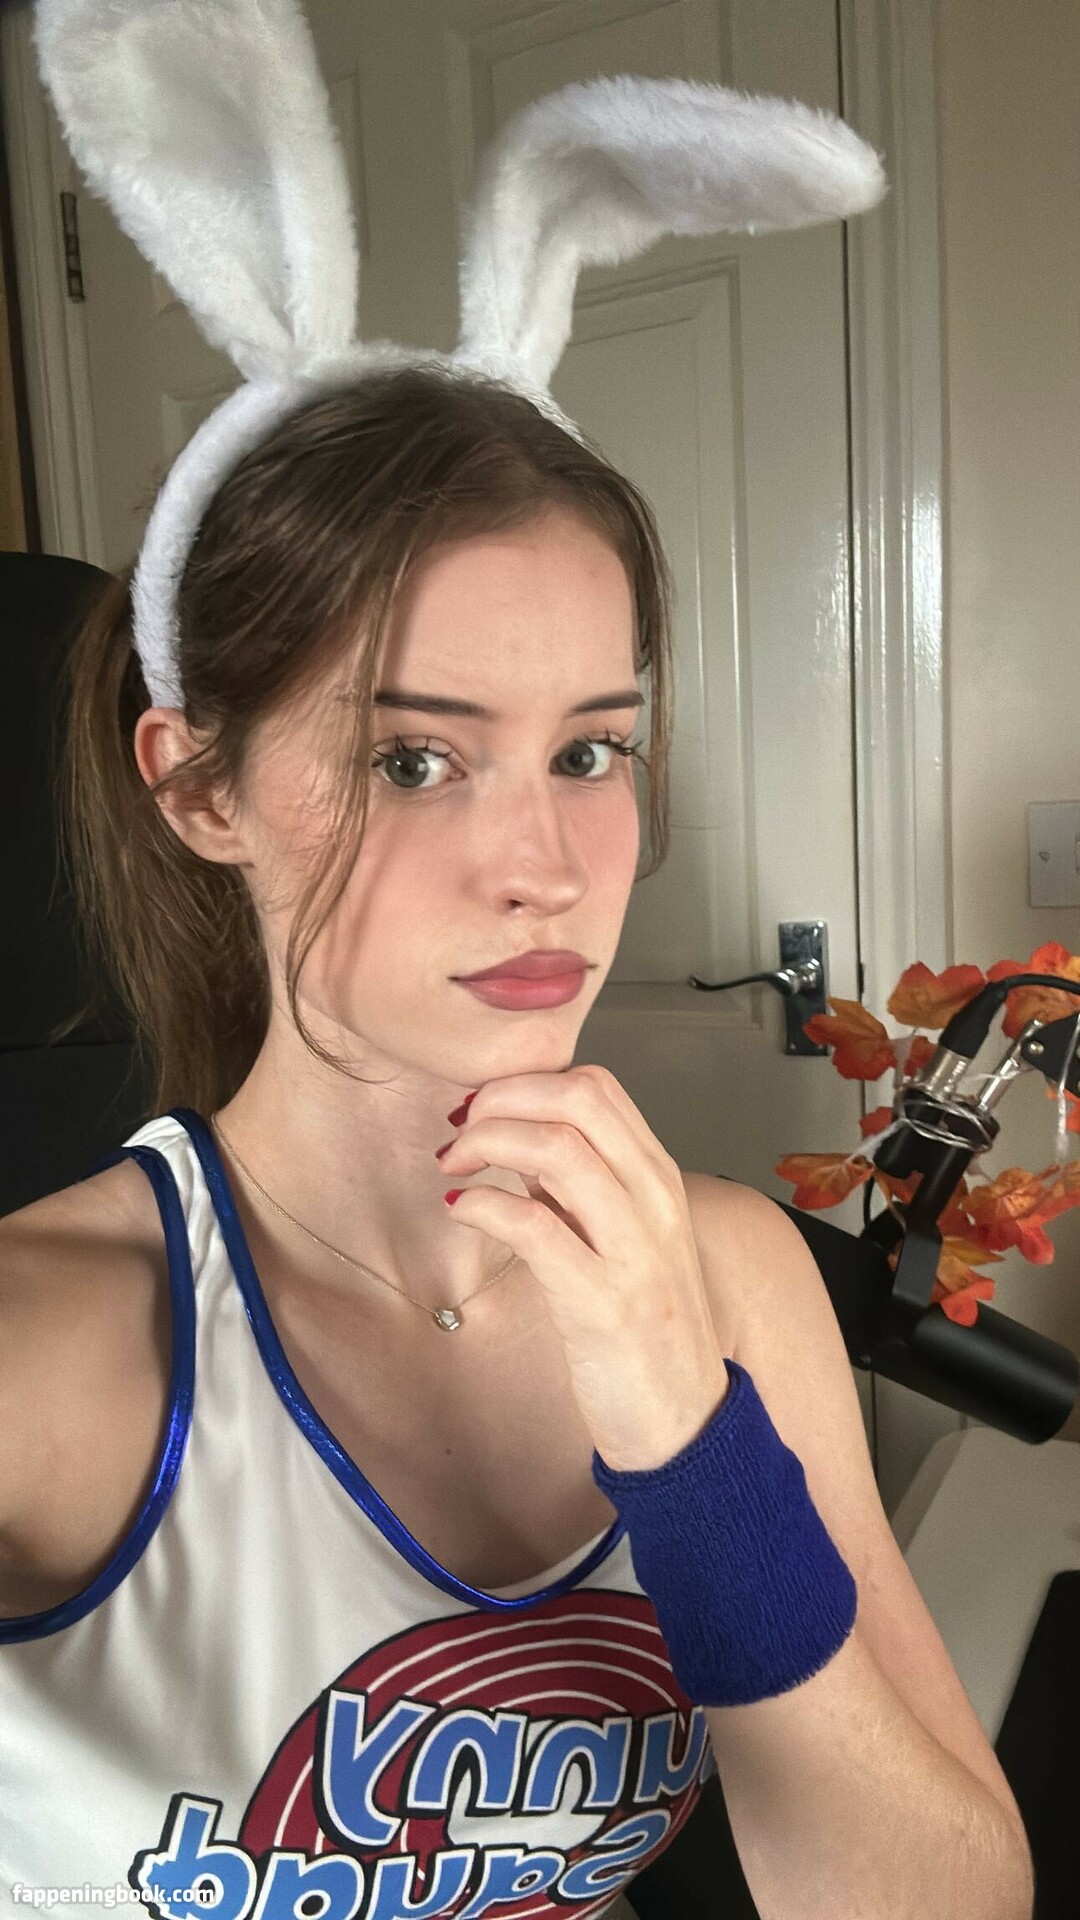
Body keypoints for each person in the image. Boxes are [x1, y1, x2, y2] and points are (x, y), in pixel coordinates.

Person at [7, 4, 993, 1912]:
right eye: (413, 758)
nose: (544, 868)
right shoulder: (49, 1352)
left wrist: (689, 1442)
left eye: (590, 751)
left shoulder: (725, 1278)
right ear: (198, 784)